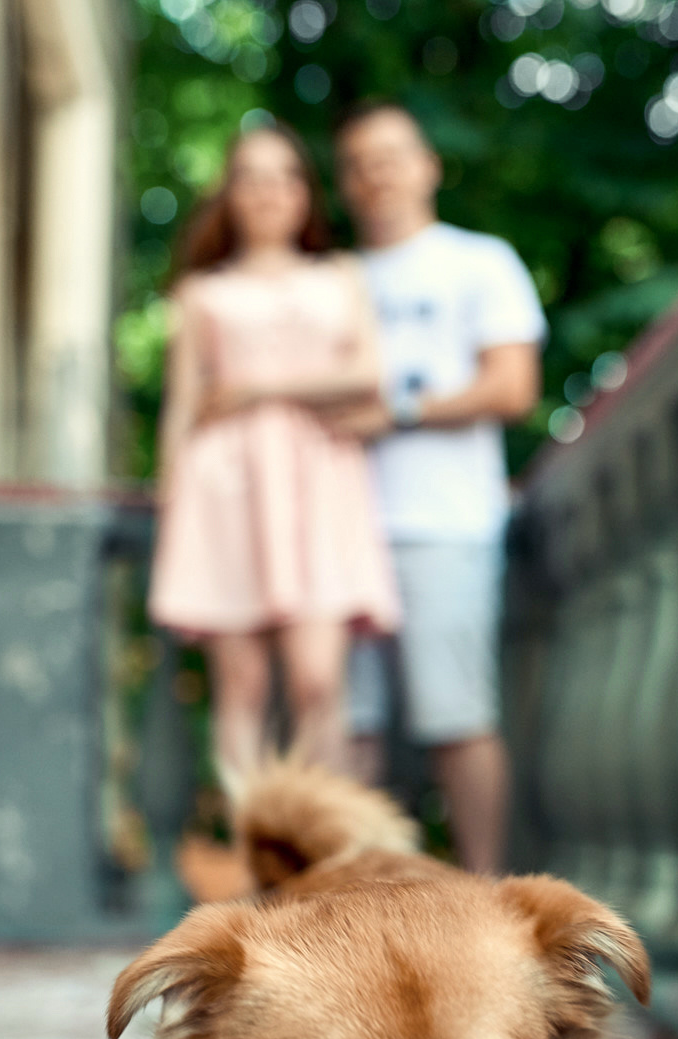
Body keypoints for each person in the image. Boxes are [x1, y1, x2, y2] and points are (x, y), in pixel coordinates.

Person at [332, 102, 546, 873]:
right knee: (347, 731)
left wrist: (400, 410)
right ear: (346, 184)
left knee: (457, 719)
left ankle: (487, 894)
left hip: (444, 523)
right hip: (335, 532)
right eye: (357, 162)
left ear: (429, 166)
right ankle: (342, 914)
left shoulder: (479, 263)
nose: (375, 173)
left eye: (390, 155)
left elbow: (513, 386)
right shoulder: (335, 278)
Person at [150, 121, 399, 778]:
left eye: (284, 176)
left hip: (319, 482)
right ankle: (258, 858)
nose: (268, 193)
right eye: (251, 178)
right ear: (230, 194)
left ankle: (318, 863)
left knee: (319, 680)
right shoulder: (202, 291)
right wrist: (172, 501)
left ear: (304, 193)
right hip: (226, 490)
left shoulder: (341, 275)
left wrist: (259, 388)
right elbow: (182, 407)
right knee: (243, 686)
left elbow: (368, 374)